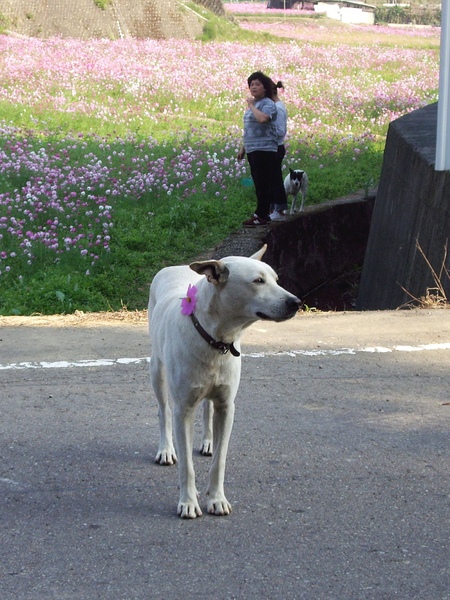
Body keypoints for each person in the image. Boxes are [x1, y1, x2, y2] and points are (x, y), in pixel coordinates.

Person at [238, 71, 284, 228]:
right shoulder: (255, 105)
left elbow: (263, 119)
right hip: (253, 149)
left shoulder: (268, 104)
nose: (253, 87)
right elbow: (250, 128)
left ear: (265, 88)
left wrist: (251, 105)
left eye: (257, 84)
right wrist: (243, 149)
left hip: (265, 149)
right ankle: (263, 214)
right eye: (251, 84)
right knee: (259, 182)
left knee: (263, 183)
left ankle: (261, 215)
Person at [270, 80, 289, 221]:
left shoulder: (278, 108)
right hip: (273, 147)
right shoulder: (276, 107)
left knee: (275, 178)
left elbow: (280, 131)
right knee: (272, 179)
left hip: (276, 147)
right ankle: (274, 208)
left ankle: (280, 209)